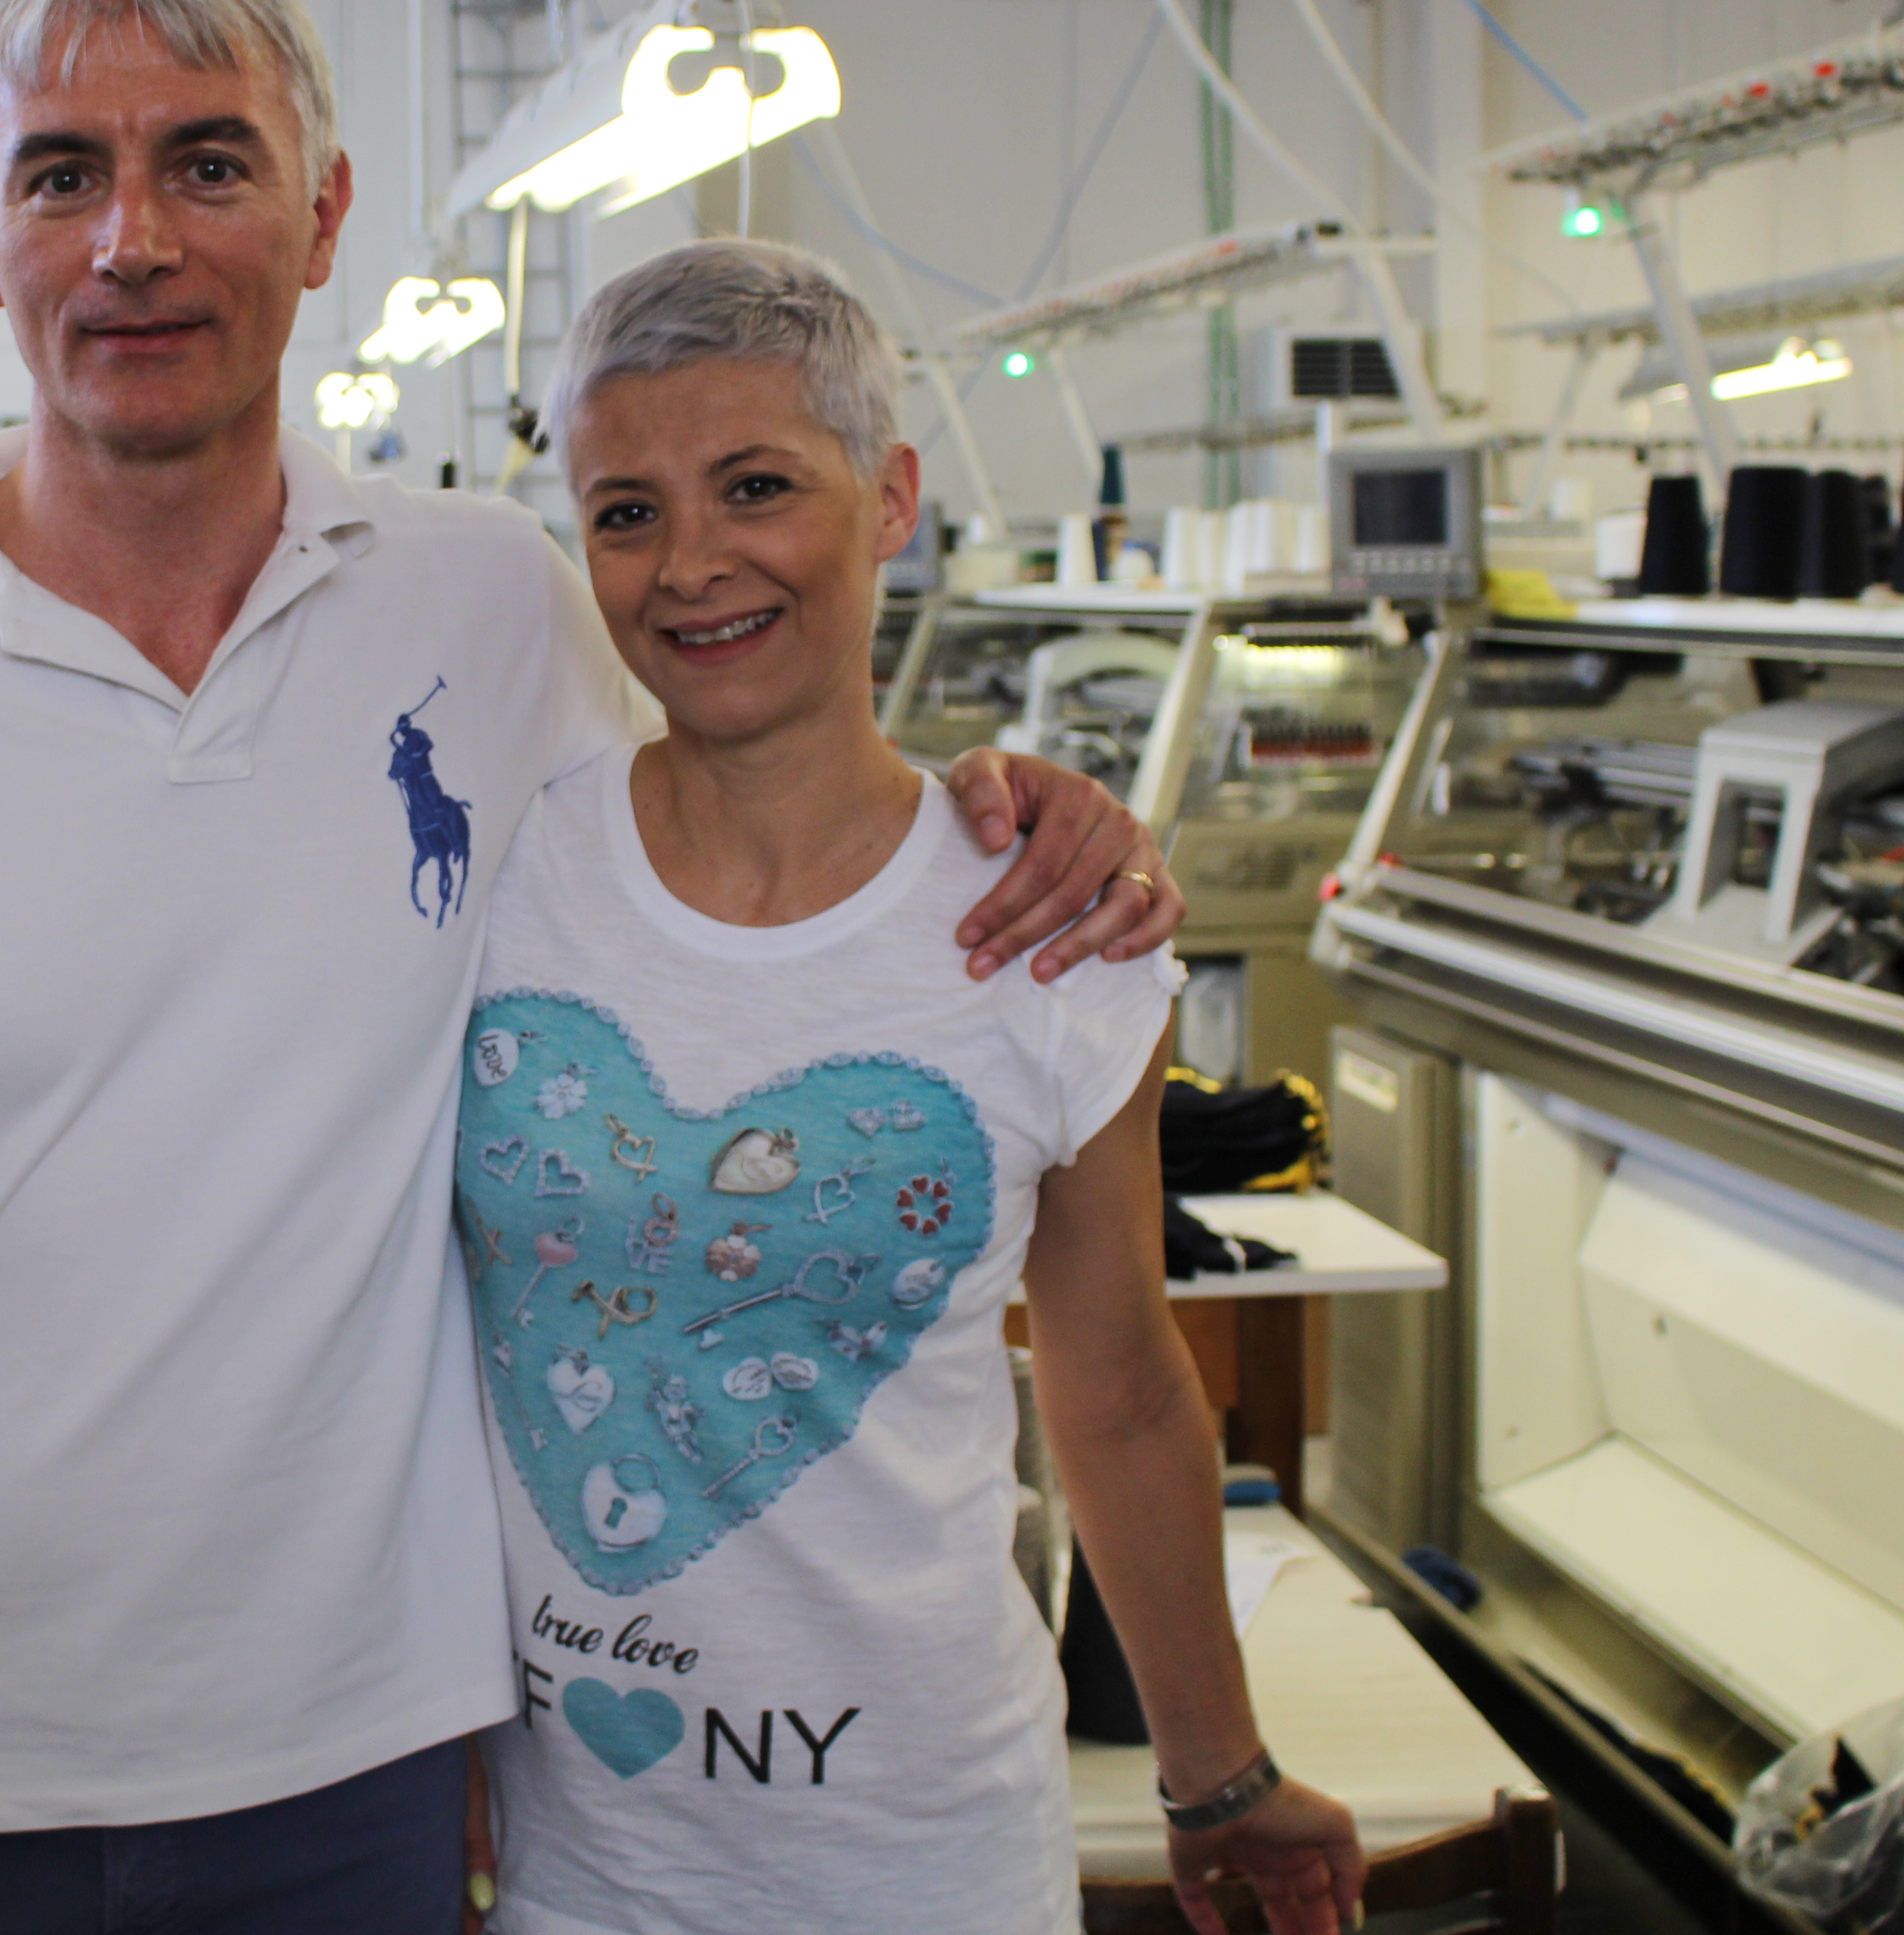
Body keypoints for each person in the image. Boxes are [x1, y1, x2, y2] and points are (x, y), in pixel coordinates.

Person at [0, 0, 1189, 1935]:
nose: (135, 240)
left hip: (353, 1765)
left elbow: (746, 790)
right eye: (63, 174)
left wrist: (1031, 816)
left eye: (208, 162)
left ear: (324, 212)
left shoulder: (488, 610)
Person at [455, 240, 1363, 1935]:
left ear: (889, 500)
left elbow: (1121, 1391)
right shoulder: (506, 887)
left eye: (757, 488)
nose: (693, 564)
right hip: (580, 1868)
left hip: (926, 1854)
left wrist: (1219, 1777)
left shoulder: (1049, 930)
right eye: (627, 510)